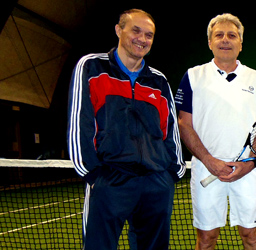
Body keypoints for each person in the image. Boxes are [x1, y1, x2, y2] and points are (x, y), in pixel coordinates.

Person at [67, 9, 186, 250]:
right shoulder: (91, 67)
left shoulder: (159, 80)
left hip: (156, 183)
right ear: (119, 30)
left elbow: (170, 130)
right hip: (109, 179)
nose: (142, 39)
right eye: (136, 30)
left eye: (149, 35)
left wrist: (171, 173)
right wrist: (94, 175)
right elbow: (80, 123)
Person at [175, 13, 256, 250]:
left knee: (251, 235)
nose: (225, 40)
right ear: (210, 42)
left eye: (232, 35)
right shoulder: (192, 76)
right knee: (207, 239)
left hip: (247, 171)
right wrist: (209, 161)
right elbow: (183, 123)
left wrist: (248, 163)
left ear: (240, 43)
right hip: (206, 169)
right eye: (219, 35)